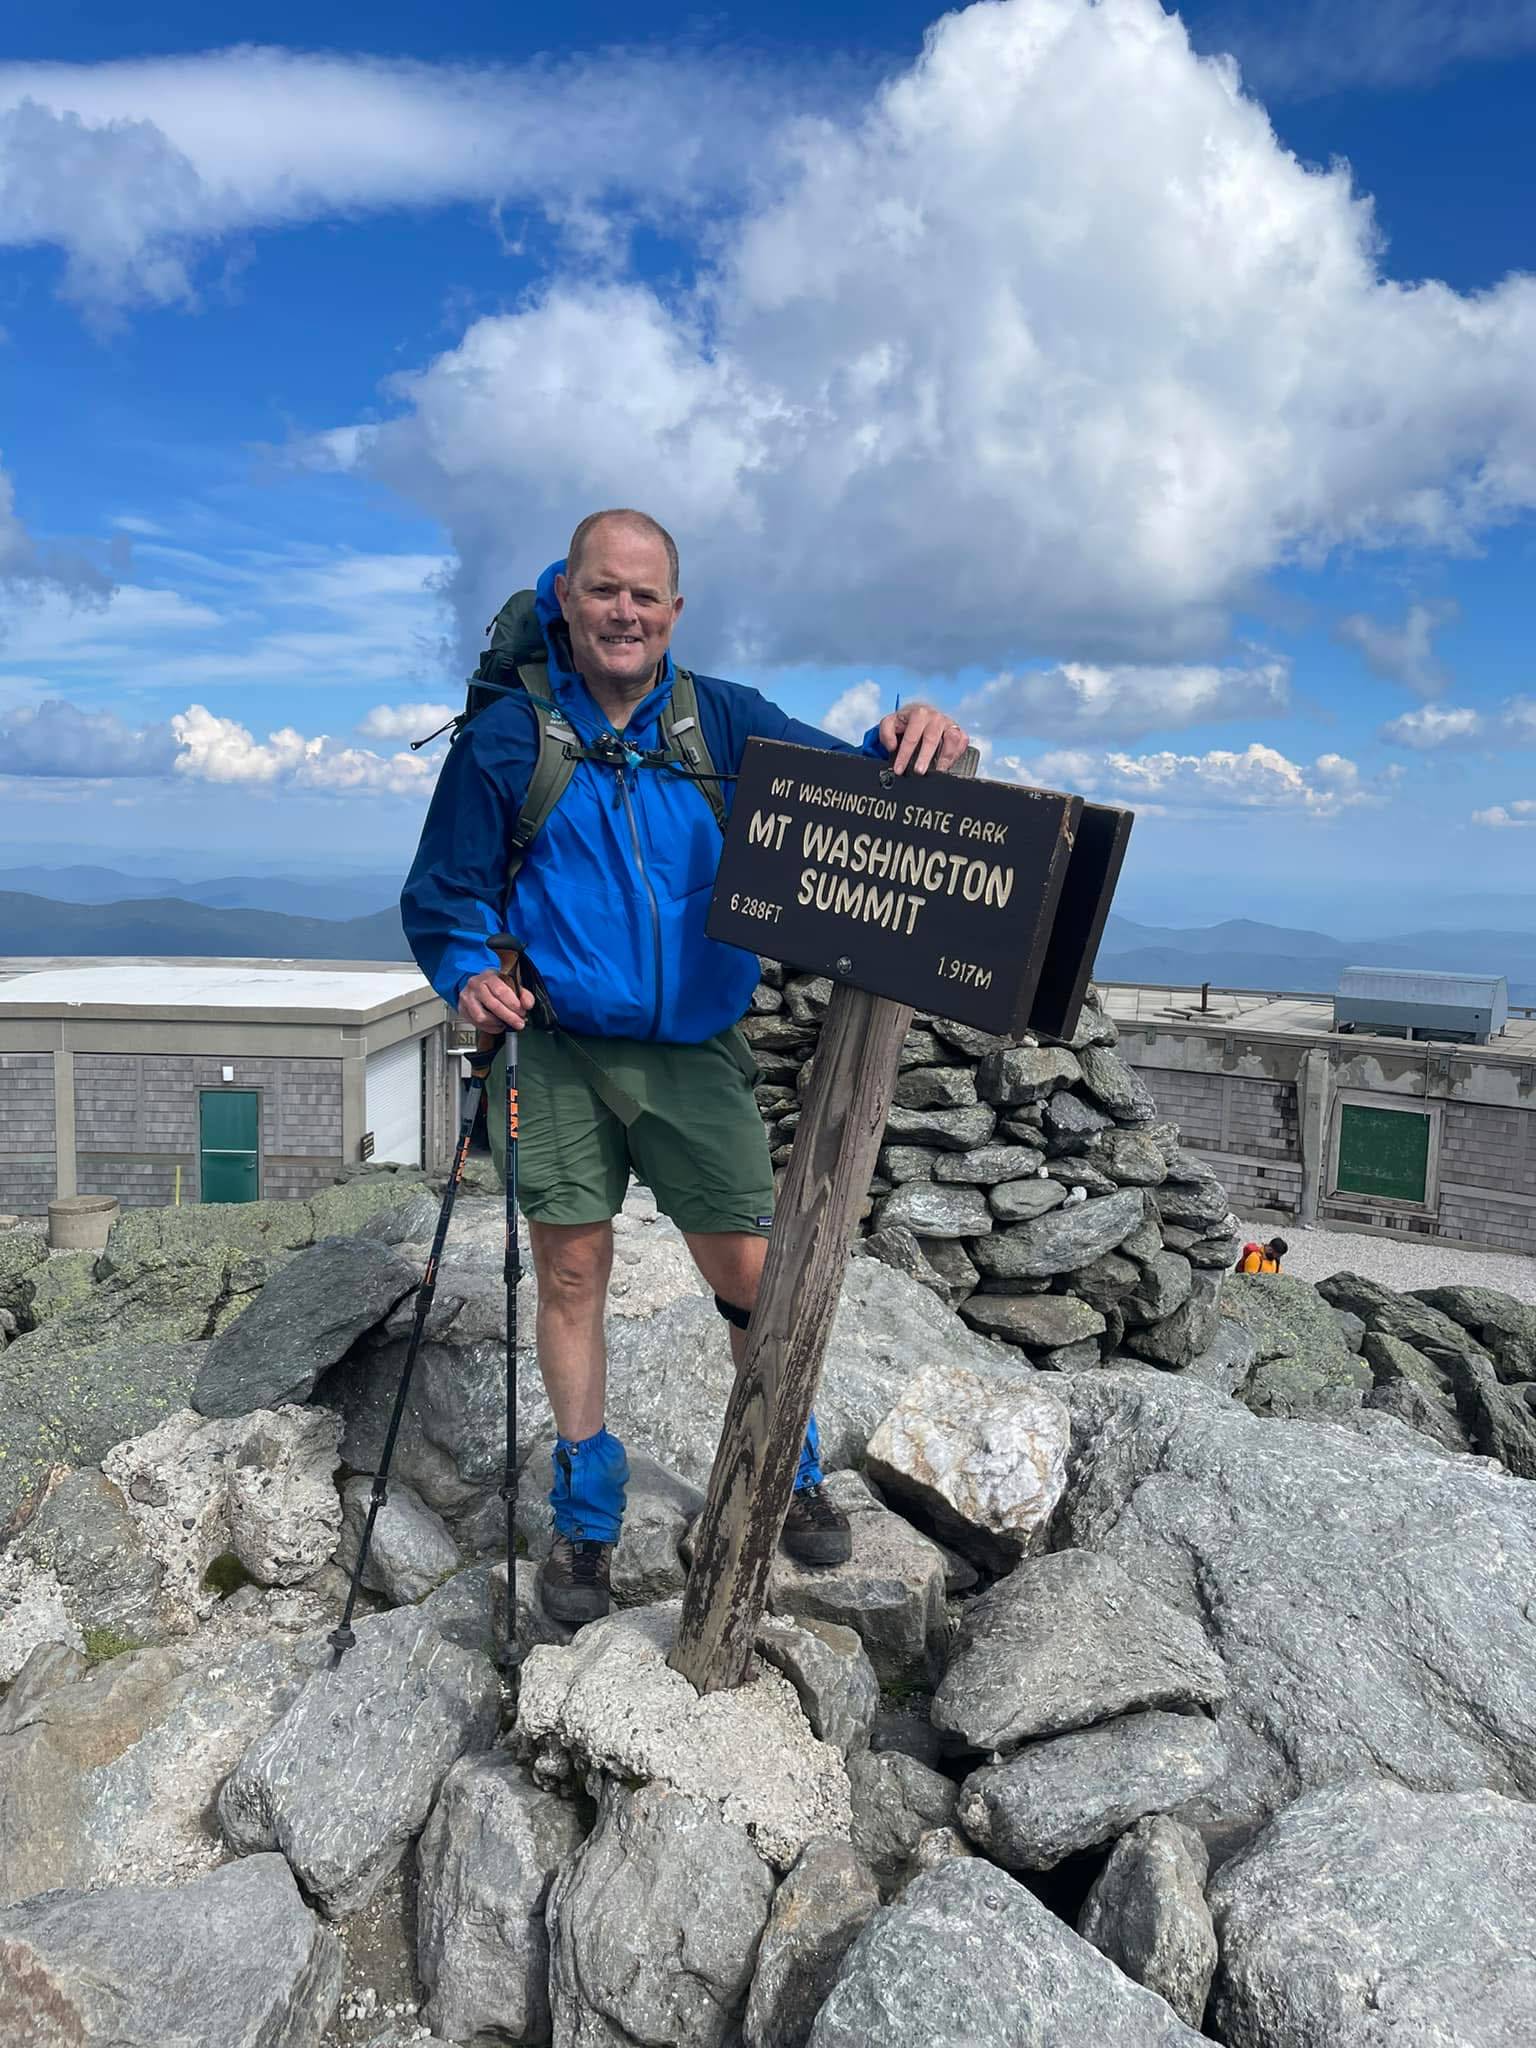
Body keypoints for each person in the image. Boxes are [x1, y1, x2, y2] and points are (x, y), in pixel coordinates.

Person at [402, 508, 969, 1623]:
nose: (625, 612)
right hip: (557, 1048)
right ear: (566, 594)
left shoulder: (724, 720)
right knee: (569, 1275)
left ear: (675, 609)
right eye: (604, 590)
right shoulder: (508, 737)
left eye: (646, 596)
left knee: (751, 1274)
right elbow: (444, 893)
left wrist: (912, 728)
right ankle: (587, 1511)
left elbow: (844, 790)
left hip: (694, 1050)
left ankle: (783, 1464)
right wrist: (468, 971)